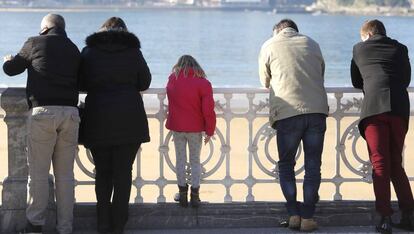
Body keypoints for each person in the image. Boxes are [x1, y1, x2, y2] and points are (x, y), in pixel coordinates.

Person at [2, 13, 80, 234]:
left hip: (43, 113)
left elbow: (12, 69)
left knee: (38, 172)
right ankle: (65, 227)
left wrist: (8, 60)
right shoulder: (73, 48)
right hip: (70, 113)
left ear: (45, 28)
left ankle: (35, 224)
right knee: (66, 176)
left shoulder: (35, 42)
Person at [78, 17, 151, 234]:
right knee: (123, 173)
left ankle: (102, 223)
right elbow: (144, 82)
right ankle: (118, 224)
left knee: (102, 172)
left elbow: (80, 82)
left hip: (98, 117)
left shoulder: (89, 52)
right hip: (129, 119)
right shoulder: (133, 51)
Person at [258, 19, 328, 232]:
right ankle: (308, 216)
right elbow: (321, 73)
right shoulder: (312, 43)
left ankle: (293, 214)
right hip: (316, 110)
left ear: (277, 31)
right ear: (296, 30)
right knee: (313, 165)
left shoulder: (269, 45)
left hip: (288, 113)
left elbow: (264, 81)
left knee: (287, 164)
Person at [351, 19, 414, 234]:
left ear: (367, 35)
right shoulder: (401, 48)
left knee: (380, 164)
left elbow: (356, 81)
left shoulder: (359, 49)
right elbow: (406, 79)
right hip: (398, 109)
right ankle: (409, 215)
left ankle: (385, 217)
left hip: (374, 109)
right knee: (396, 163)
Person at [166, 55, 216, 208]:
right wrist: (210, 130)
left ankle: (182, 195)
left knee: (180, 160)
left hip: (177, 127)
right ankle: (195, 196)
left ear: (178, 66)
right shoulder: (203, 83)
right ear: (196, 67)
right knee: (195, 161)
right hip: (195, 129)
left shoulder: (172, 80)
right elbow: (208, 110)